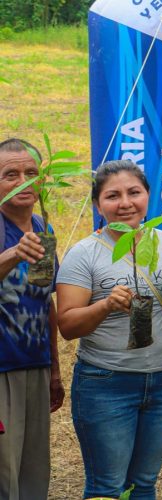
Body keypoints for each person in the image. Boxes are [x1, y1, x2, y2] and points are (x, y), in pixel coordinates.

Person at [55, 160, 162, 500]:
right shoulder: (84, 254)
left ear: (148, 196)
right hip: (106, 385)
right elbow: (68, 325)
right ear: (97, 205)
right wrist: (105, 305)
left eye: (134, 192)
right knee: (107, 487)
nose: (125, 203)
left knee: (144, 484)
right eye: (112, 196)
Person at [0, 138, 64, 499]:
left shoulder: (43, 228)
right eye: (11, 174)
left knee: (33, 471)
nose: (23, 181)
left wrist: (53, 368)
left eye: (31, 173)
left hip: (34, 366)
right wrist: (11, 254)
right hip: (1, 369)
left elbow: (44, 301)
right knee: (3, 473)